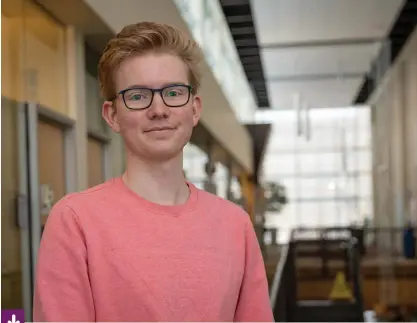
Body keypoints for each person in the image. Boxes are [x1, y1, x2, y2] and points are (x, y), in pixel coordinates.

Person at [33, 21, 273, 322]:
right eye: (137, 96)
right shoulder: (75, 221)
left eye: (173, 92)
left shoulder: (235, 225)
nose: (159, 109)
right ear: (112, 115)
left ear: (195, 109)